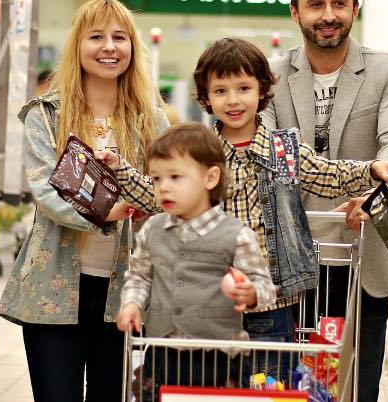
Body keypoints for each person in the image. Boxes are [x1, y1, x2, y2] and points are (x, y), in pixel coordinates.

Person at [97, 37, 388, 384]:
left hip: (272, 304)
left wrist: (370, 169)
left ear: (262, 91)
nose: (233, 100)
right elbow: (159, 196)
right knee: (212, 387)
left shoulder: (283, 148)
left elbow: (327, 174)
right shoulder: (200, 154)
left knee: (267, 388)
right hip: (210, 308)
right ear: (206, 98)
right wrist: (121, 170)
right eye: (220, 91)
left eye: (243, 88)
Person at [260, 0, 388, 402]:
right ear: (295, 12)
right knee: (286, 390)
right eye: (315, 4)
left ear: (355, 8)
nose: (328, 15)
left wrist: (380, 188)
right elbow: (266, 150)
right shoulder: (268, 76)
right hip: (288, 263)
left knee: (357, 388)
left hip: (363, 256)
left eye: (339, 3)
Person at [0, 0, 170, 402]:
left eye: (119, 37)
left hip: (126, 291)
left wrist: (148, 199)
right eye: (96, 37)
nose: (109, 46)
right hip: (52, 288)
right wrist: (107, 213)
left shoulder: (150, 119)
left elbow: (171, 186)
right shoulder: (46, 115)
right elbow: (45, 191)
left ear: (133, 48)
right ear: (77, 45)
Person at [116, 122, 277, 393]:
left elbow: (266, 288)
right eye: (156, 179)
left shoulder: (237, 235)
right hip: (162, 352)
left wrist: (251, 294)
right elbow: (140, 276)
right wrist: (131, 303)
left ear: (210, 178)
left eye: (175, 177)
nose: (163, 187)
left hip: (219, 357)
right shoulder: (152, 229)